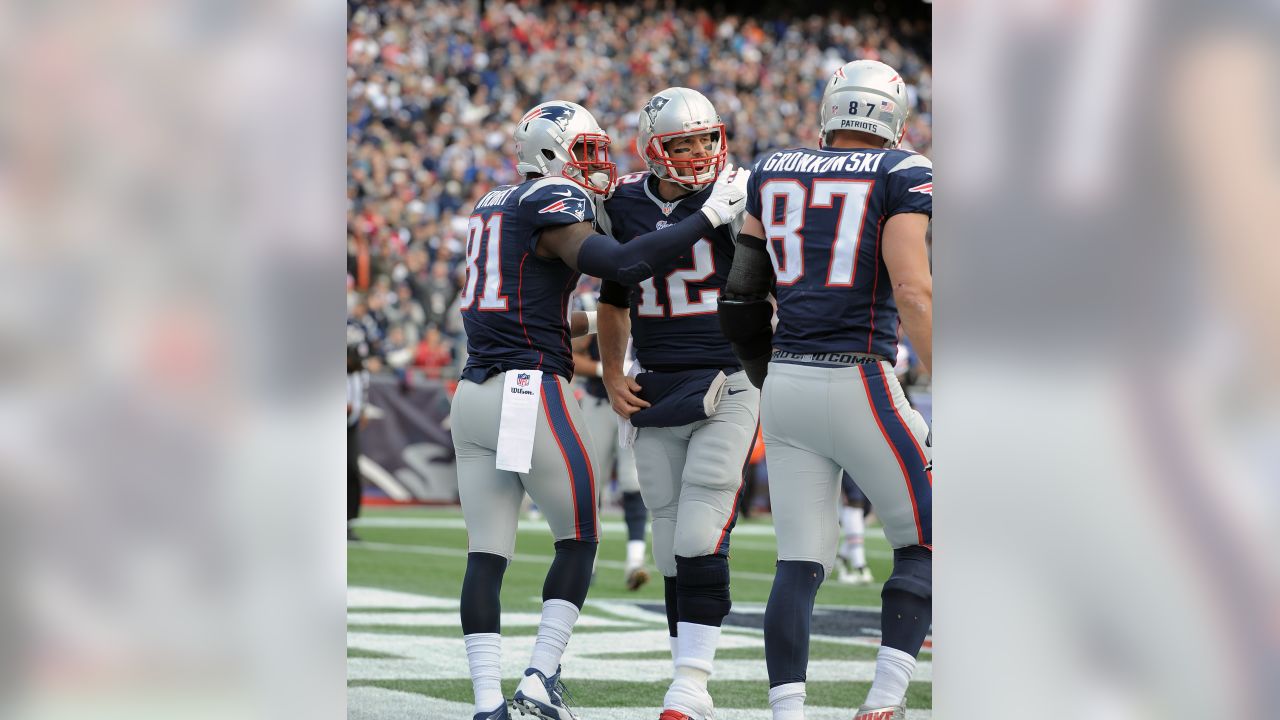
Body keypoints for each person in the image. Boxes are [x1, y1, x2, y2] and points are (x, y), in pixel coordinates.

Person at [450, 100, 749, 720]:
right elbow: (623, 265)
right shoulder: (554, 203)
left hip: (472, 392)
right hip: (530, 390)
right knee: (581, 536)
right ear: (552, 154)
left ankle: (485, 702)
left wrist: (596, 326)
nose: (596, 164)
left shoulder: (492, 204)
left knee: (486, 552)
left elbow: (536, 307)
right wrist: (711, 216)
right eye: (585, 151)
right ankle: (538, 678)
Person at [717, 60, 933, 720]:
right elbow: (912, 288)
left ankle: (788, 712)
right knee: (928, 539)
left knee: (798, 563)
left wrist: (768, 374)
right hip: (859, 375)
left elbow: (741, 295)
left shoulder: (774, 168)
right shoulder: (904, 171)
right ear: (891, 117)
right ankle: (884, 699)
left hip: (785, 380)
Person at [596, 87, 757, 720]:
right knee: (669, 542)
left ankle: (691, 684)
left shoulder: (745, 194)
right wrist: (611, 374)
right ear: (653, 149)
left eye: (704, 139)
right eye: (680, 143)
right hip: (657, 379)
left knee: (699, 525)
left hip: (730, 374)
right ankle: (685, 681)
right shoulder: (626, 203)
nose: (696, 153)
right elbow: (613, 298)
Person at [570, 286, 649, 591]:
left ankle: (635, 561)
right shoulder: (592, 300)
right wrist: (612, 370)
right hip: (601, 403)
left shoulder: (649, 294)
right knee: (592, 484)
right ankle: (587, 564)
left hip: (634, 404)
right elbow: (574, 356)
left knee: (634, 484)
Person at [346, 326, 370, 542]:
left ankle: (348, 522)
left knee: (352, 469)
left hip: (350, 426)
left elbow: (363, 391)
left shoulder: (360, 372)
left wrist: (361, 410)